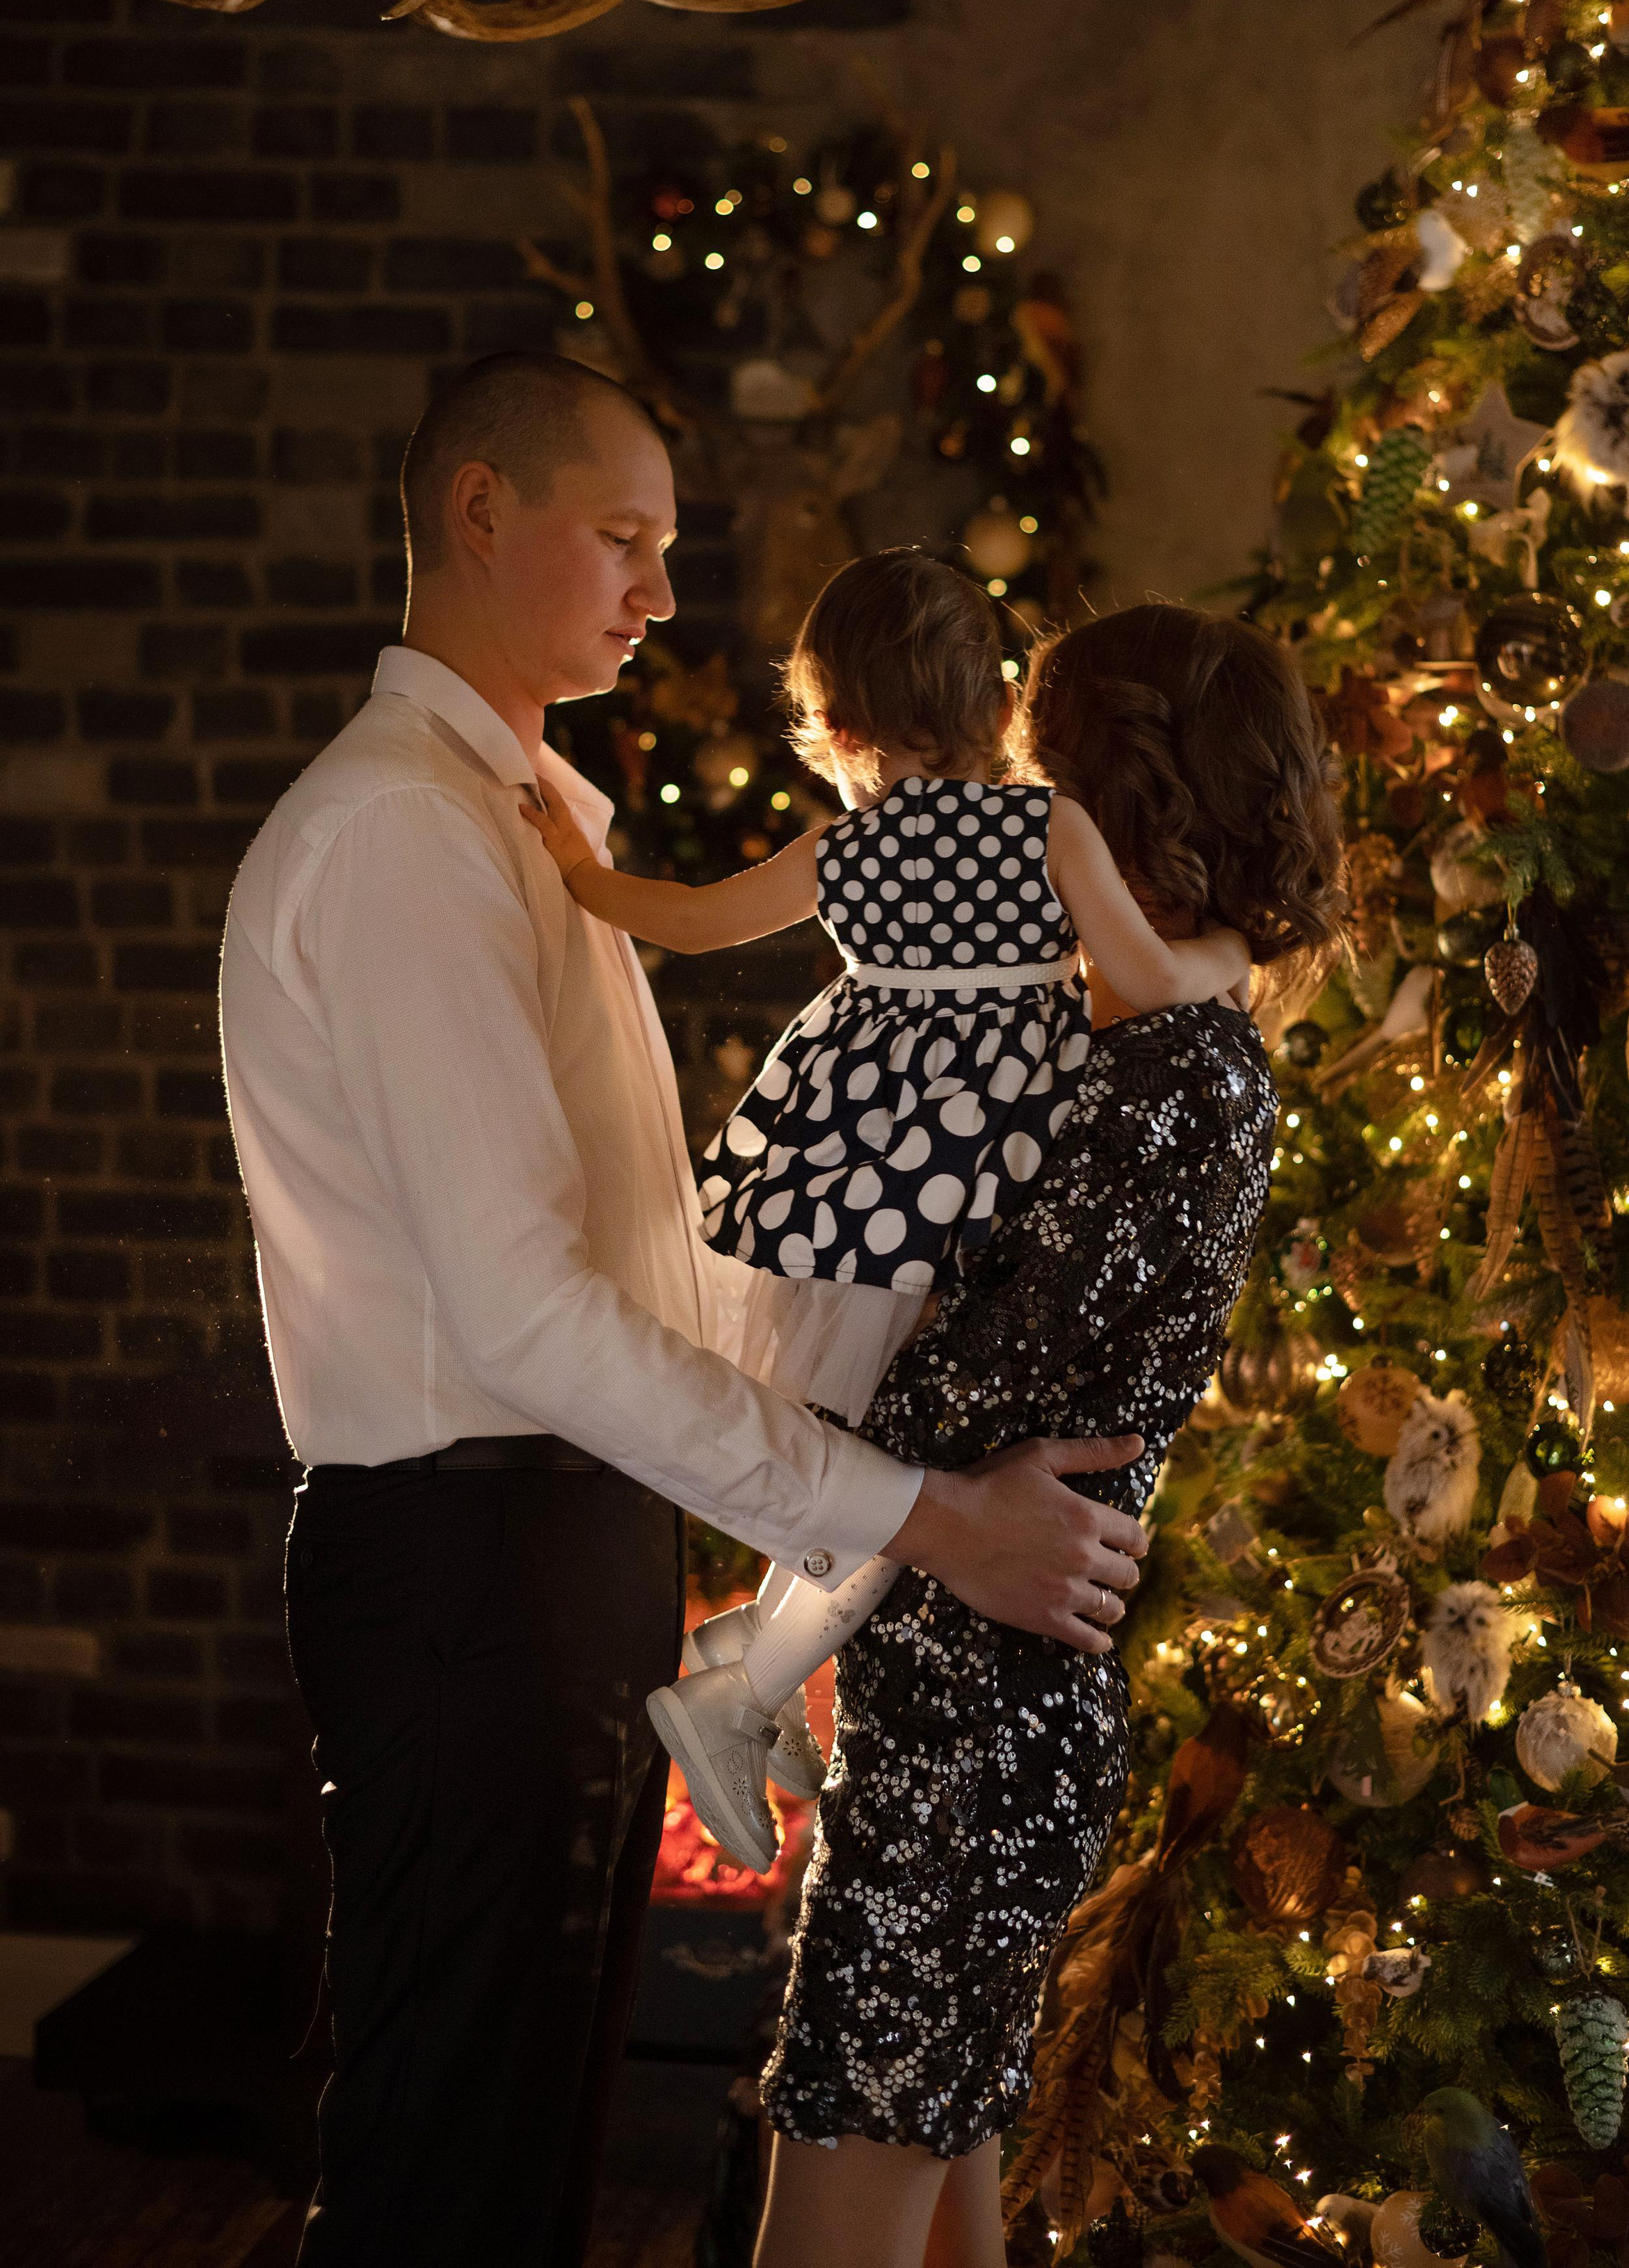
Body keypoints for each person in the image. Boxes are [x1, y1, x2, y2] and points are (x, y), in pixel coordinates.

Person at [216, 352, 1151, 2268]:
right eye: (623, 538)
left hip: (544, 1542)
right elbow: (529, 1320)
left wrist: (825, 1502)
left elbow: (642, 1260)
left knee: (517, 2150)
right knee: (447, 2167)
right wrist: (919, 1520)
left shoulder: (529, 822)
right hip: (465, 1555)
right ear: (481, 512)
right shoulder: (409, 834)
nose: (659, 592)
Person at [750, 601, 1345, 2268]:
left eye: (1022, 781)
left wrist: (800, 1417)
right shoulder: (1141, 1048)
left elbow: (968, 1406)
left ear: (1100, 812)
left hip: (976, 1733)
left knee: (830, 2226)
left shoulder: (1175, 1073)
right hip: (971, 1702)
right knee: (943, 2216)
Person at [524, 549, 1251, 1874]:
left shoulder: (847, 847)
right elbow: (1146, 977)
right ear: (995, 703)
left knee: (870, 1453)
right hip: (991, 1193)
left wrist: (581, 867)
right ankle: (741, 1687)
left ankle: (752, 1658)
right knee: (920, 1473)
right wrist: (1231, 953)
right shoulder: (1049, 827)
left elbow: (684, 927)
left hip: (859, 1197)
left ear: (843, 728)